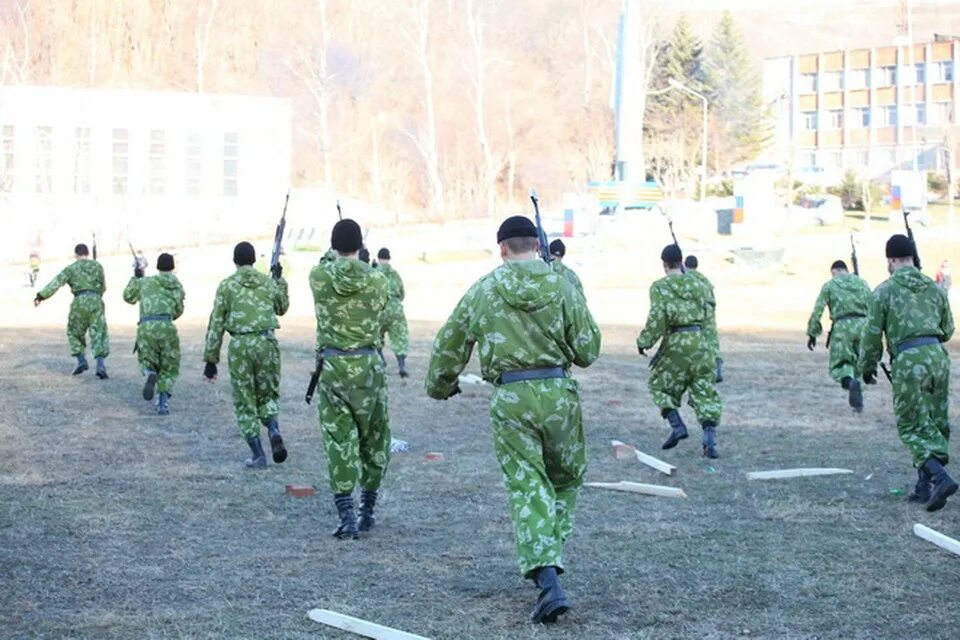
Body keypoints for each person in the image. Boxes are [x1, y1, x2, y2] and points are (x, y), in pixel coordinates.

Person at [426, 215, 601, 624]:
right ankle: (549, 562)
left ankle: (546, 571)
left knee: (527, 483)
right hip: (558, 396)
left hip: (511, 398)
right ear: (537, 246)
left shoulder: (485, 289)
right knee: (566, 479)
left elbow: (450, 342)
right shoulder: (563, 285)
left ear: (502, 248)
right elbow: (588, 351)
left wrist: (440, 385)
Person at [859, 234, 956, 512]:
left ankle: (939, 478)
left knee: (912, 424)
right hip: (937, 356)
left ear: (890, 260)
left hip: (909, 360)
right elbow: (947, 329)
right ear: (913, 258)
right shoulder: (935, 288)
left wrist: (867, 367)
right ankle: (923, 486)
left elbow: (872, 335)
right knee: (935, 421)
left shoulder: (883, 291)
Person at [309, 220, 391, 539]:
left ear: (332, 245)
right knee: (374, 437)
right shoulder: (378, 280)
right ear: (360, 245)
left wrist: (334, 257)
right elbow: (381, 305)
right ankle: (367, 509)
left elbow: (325, 266)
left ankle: (346, 514)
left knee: (338, 438)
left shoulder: (319, 276)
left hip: (333, 366)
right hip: (369, 365)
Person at [202, 242, 289, 469]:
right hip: (266, 342)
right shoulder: (267, 282)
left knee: (245, 401)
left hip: (240, 345)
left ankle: (258, 455)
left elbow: (217, 323)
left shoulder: (227, 285)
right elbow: (282, 307)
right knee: (268, 395)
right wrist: (279, 279)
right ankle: (273, 429)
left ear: (235, 261)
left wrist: (211, 360)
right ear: (253, 260)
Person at [636, 245, 721, 458]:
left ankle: (677, 426)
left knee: (658, 385)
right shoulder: (701, 285)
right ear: (682, 261)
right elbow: (710, 320)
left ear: (664, 263)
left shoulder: (659, 287)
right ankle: (709, 440)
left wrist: (644, 341)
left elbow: (657, 318)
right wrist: (714, 352)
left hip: (675, 343)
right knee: (704, 390)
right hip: (700, 342)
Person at [34, 243, 110, 378]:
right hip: (96, 300)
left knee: (74, 332)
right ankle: (100, 365)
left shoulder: (71, 268)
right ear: (87, 253)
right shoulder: (98, 266)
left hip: (79, 301)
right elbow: (103, 287)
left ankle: (81, 360)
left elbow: (56, 283)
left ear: (76, 254)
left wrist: (41, 296)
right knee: (99, 332)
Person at [805, 260, 872, 412]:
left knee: (841, 365)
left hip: (842, 327)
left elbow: (818, 310)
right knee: (859, 364)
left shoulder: (830, 285)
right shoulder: (862, 283)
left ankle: (850, 384)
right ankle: (858, 403)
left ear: (834, 271)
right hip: (863, 326)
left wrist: (813, 333)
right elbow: (874, 305)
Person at [122, 253, 184, 415]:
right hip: (167, 326)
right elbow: (178, 311)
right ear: (172, 267)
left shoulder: (146, 282)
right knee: (169, 367)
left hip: (146, 326)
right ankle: (163, 402)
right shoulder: (177, 286)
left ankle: (149, 373)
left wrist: (137, 276)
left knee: (146, 360)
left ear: (157, 267)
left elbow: (128, 297)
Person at [684, 255, 723, 383]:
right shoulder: (704, 279)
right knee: (712, 339)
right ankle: (717, 366)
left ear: (685, 264)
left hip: (696, 311)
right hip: (709, 311)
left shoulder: (685, 278)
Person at [376, 247, 410, 378]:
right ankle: (401, 366)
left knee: (376, 336)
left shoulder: (374, 272)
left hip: (380, 308)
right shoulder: (395, 274)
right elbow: (402, 293)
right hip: (396, 308)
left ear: (379, 258)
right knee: (400, 337)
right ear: (389, 259)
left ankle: (381, 360)